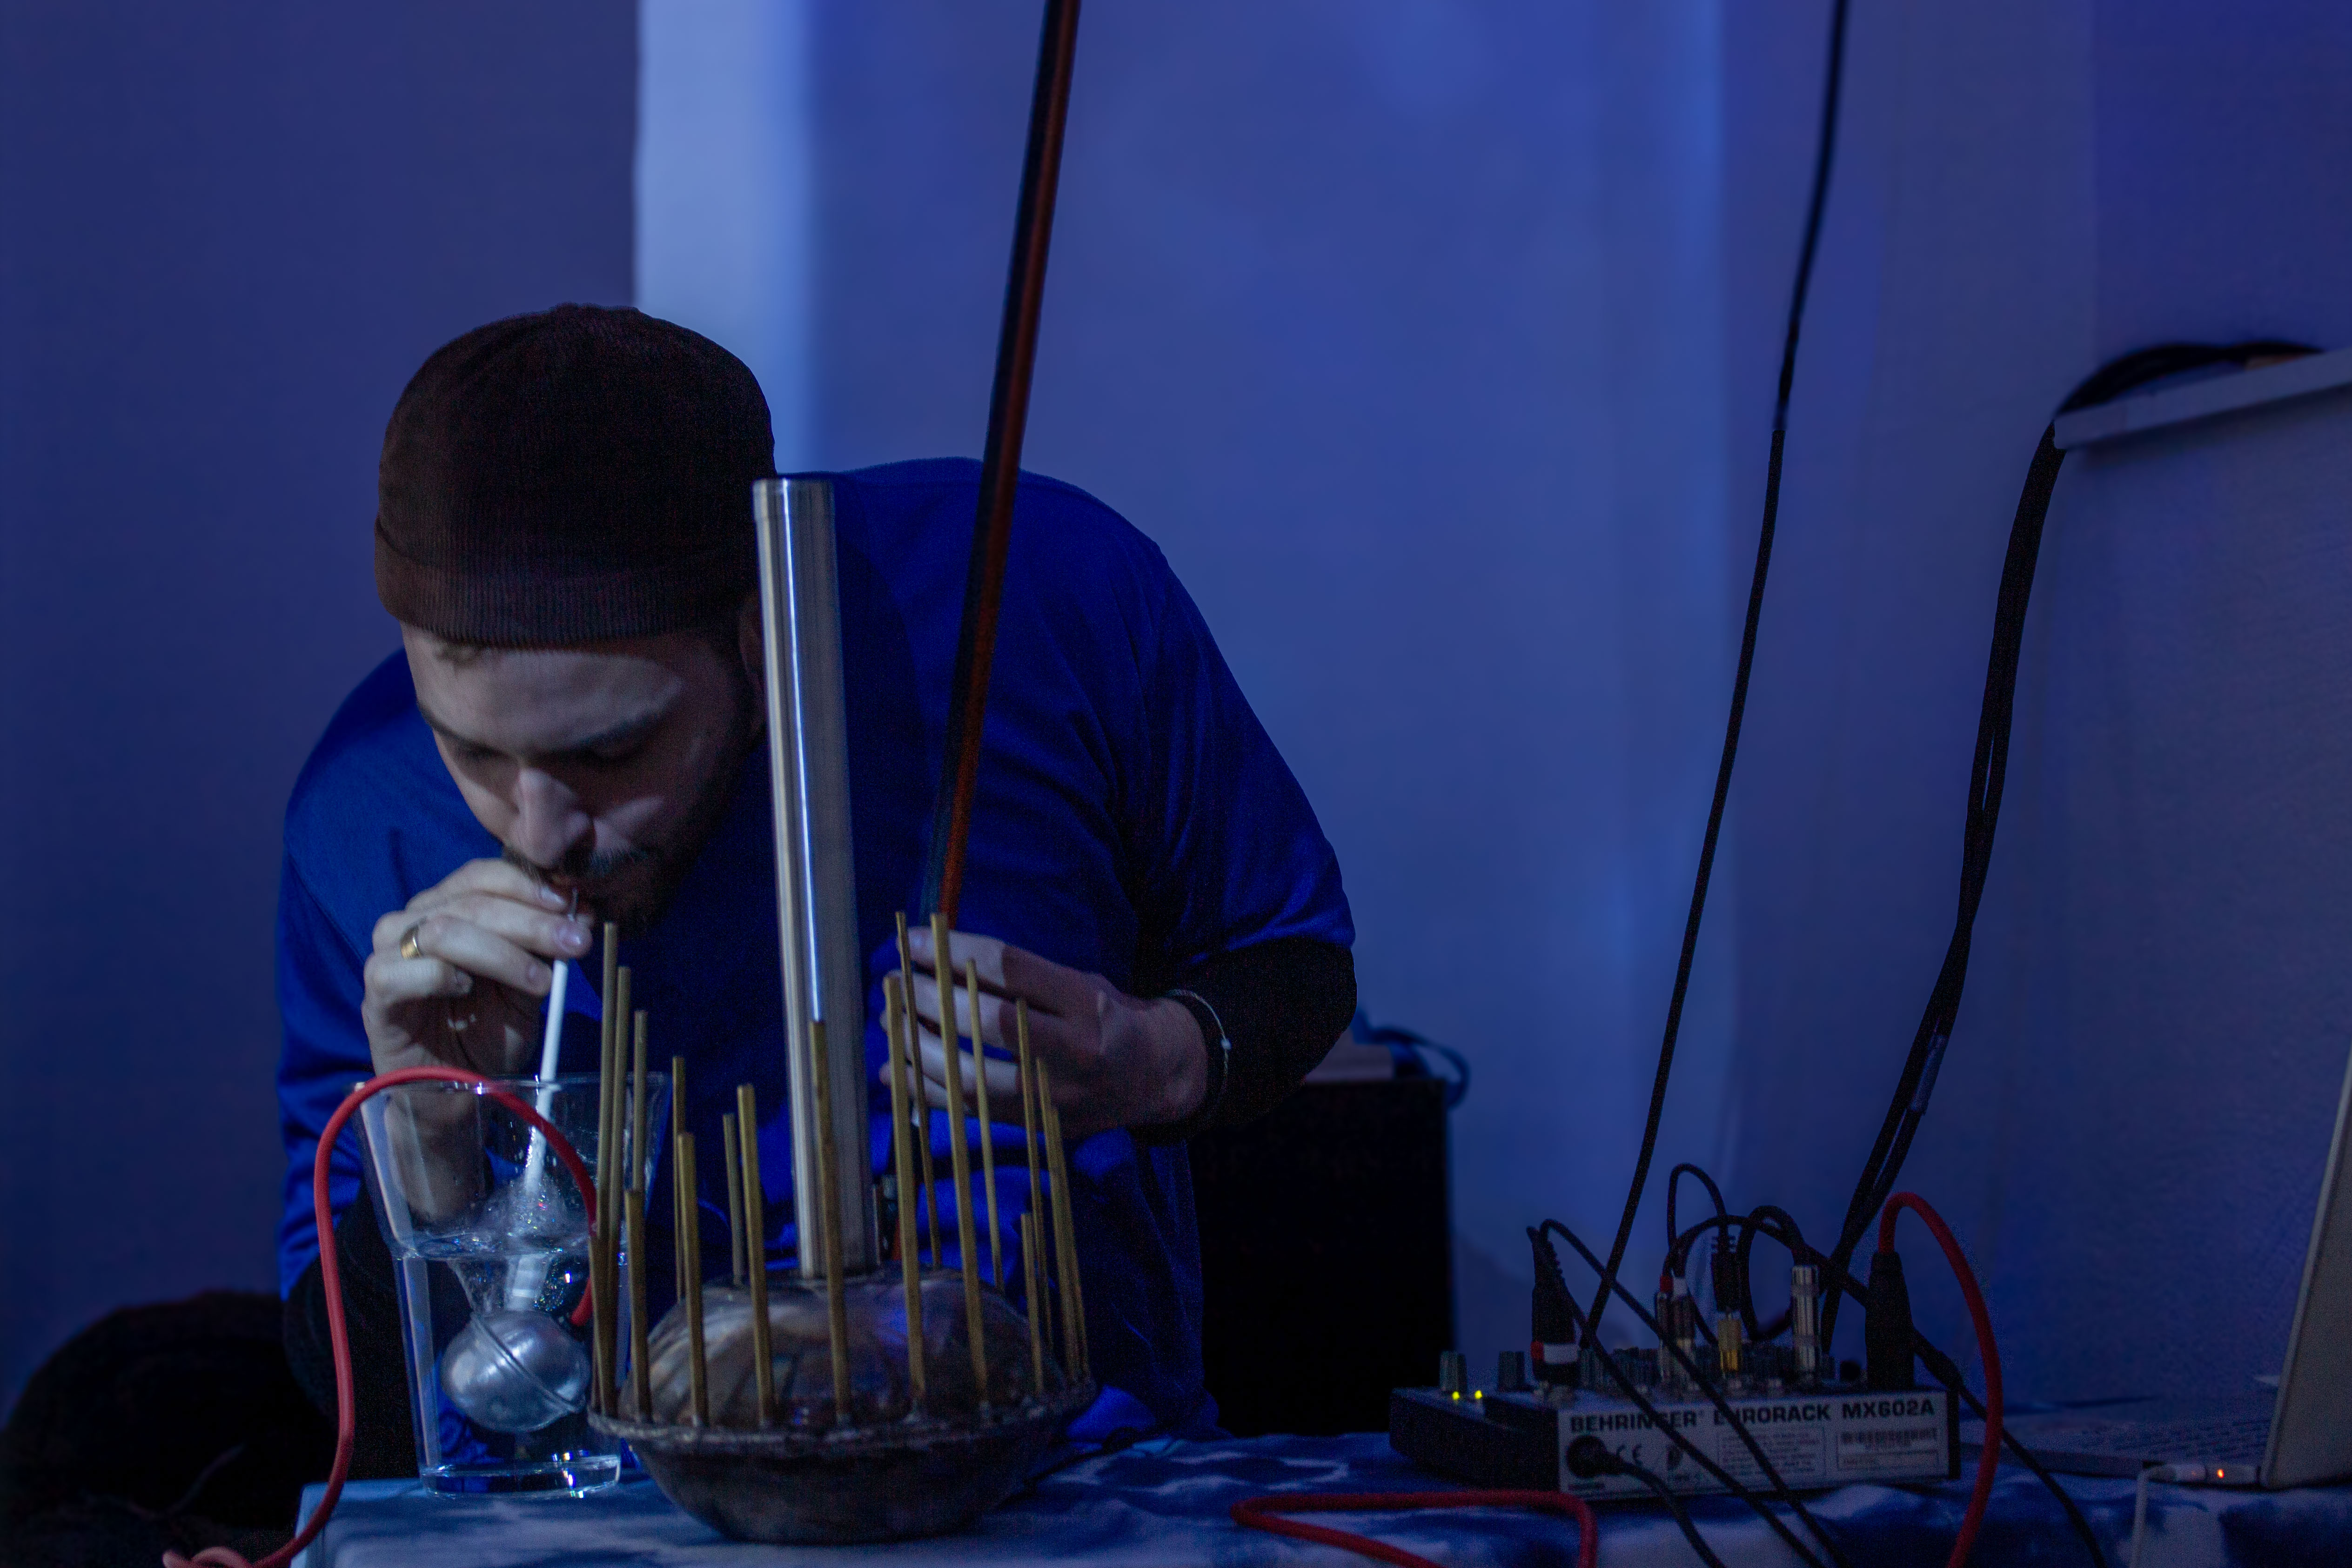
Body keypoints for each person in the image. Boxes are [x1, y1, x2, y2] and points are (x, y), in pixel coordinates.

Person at [275, 304, 1354, 1463]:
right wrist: (429, 1131)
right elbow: (368, 1409)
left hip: (1073, 1485)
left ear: (755, 637)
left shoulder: (1042, 593)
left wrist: (1154, 1057)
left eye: (609, 754)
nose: (538, 831)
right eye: (473, 752)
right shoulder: (359, 805)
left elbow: (1293, 956)